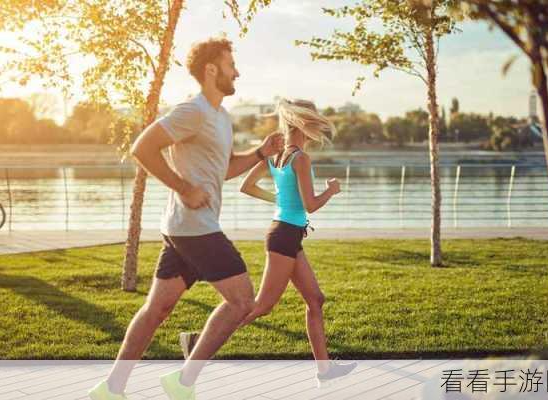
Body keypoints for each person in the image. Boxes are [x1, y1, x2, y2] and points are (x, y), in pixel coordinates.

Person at [88, 37, 283, 400]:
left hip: (183, 227)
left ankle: (110, 389)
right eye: (230, 65)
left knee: (156, 309)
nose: (236, 71)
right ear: (211, 70)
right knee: (241, 301)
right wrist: (182, 187)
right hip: (196, 228)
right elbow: (142, 147)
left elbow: (221, 169)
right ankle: (182, 382)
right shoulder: (191, 110)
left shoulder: (221, 116)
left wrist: (260, 153)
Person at [180, 98, 357, 388]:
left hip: (286, 233)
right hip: (285, 235)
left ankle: (324, 370)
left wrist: (279, 200)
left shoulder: (274, 156)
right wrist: (332, 191)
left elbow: (246, 186)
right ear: (303, 123)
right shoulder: (300, 158)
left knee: (315, 299)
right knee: (261, 305)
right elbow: (311, 205)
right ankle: (198, 342)